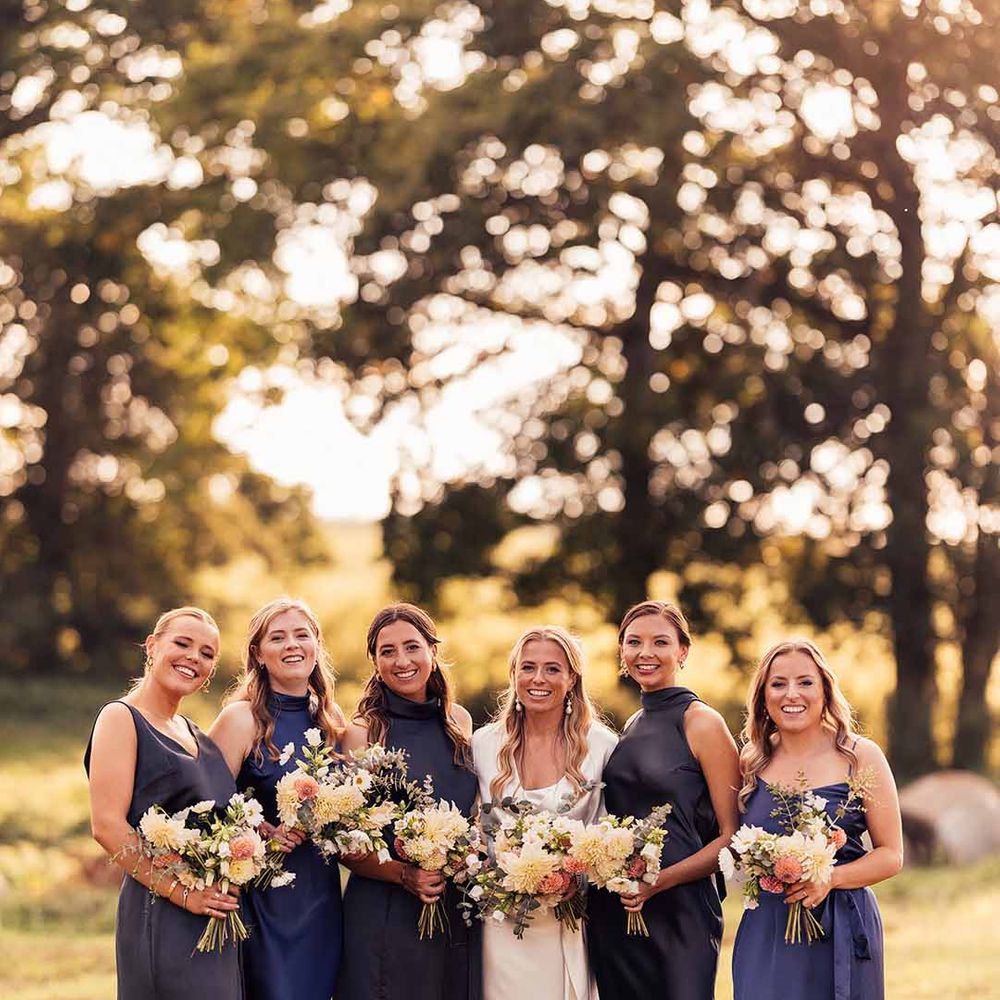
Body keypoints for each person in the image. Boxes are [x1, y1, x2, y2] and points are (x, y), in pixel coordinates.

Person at [731, 639, 903, 1000]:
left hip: (841, 923)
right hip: (767, 927)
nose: (791, 693)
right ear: (763, 695)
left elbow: (891, 855)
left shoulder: (860, 756)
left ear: (825, 689)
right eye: (778, 684)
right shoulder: (750, 760)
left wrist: (830, 878)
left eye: (805, 682)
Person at [85, 606, 242, 1000]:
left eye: (207, 654)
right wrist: (182, 894)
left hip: (213, 918)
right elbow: (107, 826)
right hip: (160, 913)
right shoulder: (121, 718)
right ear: (153, 647)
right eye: (183, 644)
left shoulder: (195, 733)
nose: (194, 658)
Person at [588, 600, 740, 1000]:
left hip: (682, 911)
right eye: (634, 642)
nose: (645, 652)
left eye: (660, 642)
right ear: (622, 652)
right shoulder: (633, 724)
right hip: (618, 910)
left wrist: (658, 882)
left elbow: (732, 837)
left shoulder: (702, 723)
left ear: (682, 651)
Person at [336, 603, 481, 1000]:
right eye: (387, 651)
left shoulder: (460, 724)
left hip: (452, 907)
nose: (402, 661)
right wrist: (404, 874)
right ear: (374, 660)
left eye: (412, 647)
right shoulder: (363, 734)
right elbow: (342, 843)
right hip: (384, 910)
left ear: (433, 652)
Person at [209, 597, 347, 1000]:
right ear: (258, 653)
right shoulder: (240, 719)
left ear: (317, 646)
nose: (292, 645)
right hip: (261, 899)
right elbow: (203, 808)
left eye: (302, 635)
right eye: (278, 637)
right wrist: (258, 831)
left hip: (320, 897)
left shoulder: (330, 719)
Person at [473, 625, 617, 1000]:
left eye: (553, 669)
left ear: (572, 678)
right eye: (528, 667)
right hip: (502, 923)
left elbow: (608, 834)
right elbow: (473, 830)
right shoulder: (483, 744)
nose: (539, 679)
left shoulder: (602, 745)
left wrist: (572, 873)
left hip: (566, 920)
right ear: (514, 674)